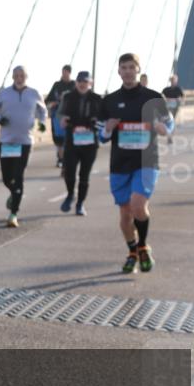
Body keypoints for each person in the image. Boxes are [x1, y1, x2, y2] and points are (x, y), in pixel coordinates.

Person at [98, 53, 174, 273]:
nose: (128, 71)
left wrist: (165, 129)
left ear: (138, 70)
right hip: (120, 163)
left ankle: (142, 246)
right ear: (119, 71)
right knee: (125, 213)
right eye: (124, 67)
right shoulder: (109, 101)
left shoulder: (153, 97)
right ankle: (132, 251)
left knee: (138, 205)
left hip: (147, 161)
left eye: (132, 67)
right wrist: (107, 128)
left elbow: (170, 125)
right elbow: (101, 137)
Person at [0, 66, 47, 228]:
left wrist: (42, 124)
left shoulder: (34, 93)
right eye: (16, 75)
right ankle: (14, 194)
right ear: (13, 77)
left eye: (22, 75)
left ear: (26, 77)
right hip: (6, 141)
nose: (19, 78)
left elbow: (43, 112)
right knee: (7, 178)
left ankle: (13, 213)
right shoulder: (4, 93)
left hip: (25, 142)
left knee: (18, 175)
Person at [58, 71, 103, 216]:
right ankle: (71, 194)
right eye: (80, 81)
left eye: (86, 81)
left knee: (84, 175)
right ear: (76, 82)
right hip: (72, 140)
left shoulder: (97, 98)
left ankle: (80, 204)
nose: (82, 84)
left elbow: (103, 118)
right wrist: (62, 120)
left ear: (91, 83)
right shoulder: (68, 97)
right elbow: (60, 113)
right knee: (69, 172)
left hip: (90, 142)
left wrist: (97, 121)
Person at [45, 65, 75, 169]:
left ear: (69, 73)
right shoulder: (57, 85)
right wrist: (52, 103)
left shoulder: (74, 85)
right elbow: (48, 100)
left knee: (69, 140)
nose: (64, 74)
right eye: (63, 72)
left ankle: (67, 160)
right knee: (59, 140)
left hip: (71, 117)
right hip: (57, 116)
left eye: (66, 72)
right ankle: (61, 159)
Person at [161, 75, 185, 144]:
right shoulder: (166, 89)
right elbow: (161, 95)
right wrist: (165, 99)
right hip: (168, 107)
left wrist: (180, 100)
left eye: (174, 80)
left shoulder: (178, 89)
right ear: (170, 81)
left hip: (175, 107)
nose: (173, 81)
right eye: (172, 80)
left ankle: (170, 136)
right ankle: (169, 137)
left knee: (172, 122)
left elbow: (183, 96)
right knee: (169, 121)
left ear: (176, 81)